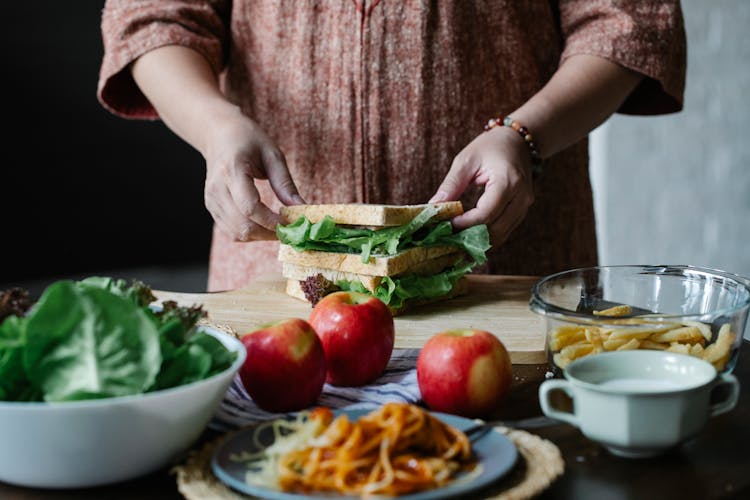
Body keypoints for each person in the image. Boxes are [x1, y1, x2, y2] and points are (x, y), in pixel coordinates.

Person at [97, 1, 686, 292]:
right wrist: (216, 126)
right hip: (276, 286)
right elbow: (151, 19)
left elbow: (625, 19)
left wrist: (524, 133)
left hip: (504, 275)